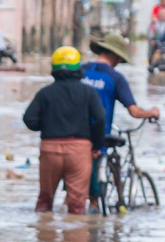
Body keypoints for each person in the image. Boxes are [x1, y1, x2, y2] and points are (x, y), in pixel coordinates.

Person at [22, 45, 108, 215]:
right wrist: (96, 146)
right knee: (77, 206)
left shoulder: (45, 93)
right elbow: (100, 118)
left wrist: (47, 125)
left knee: (44, 201)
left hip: (50, 150)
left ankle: (43, 231)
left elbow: (29, 119)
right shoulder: (89, 92)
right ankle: (74, 232)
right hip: (79, 151)